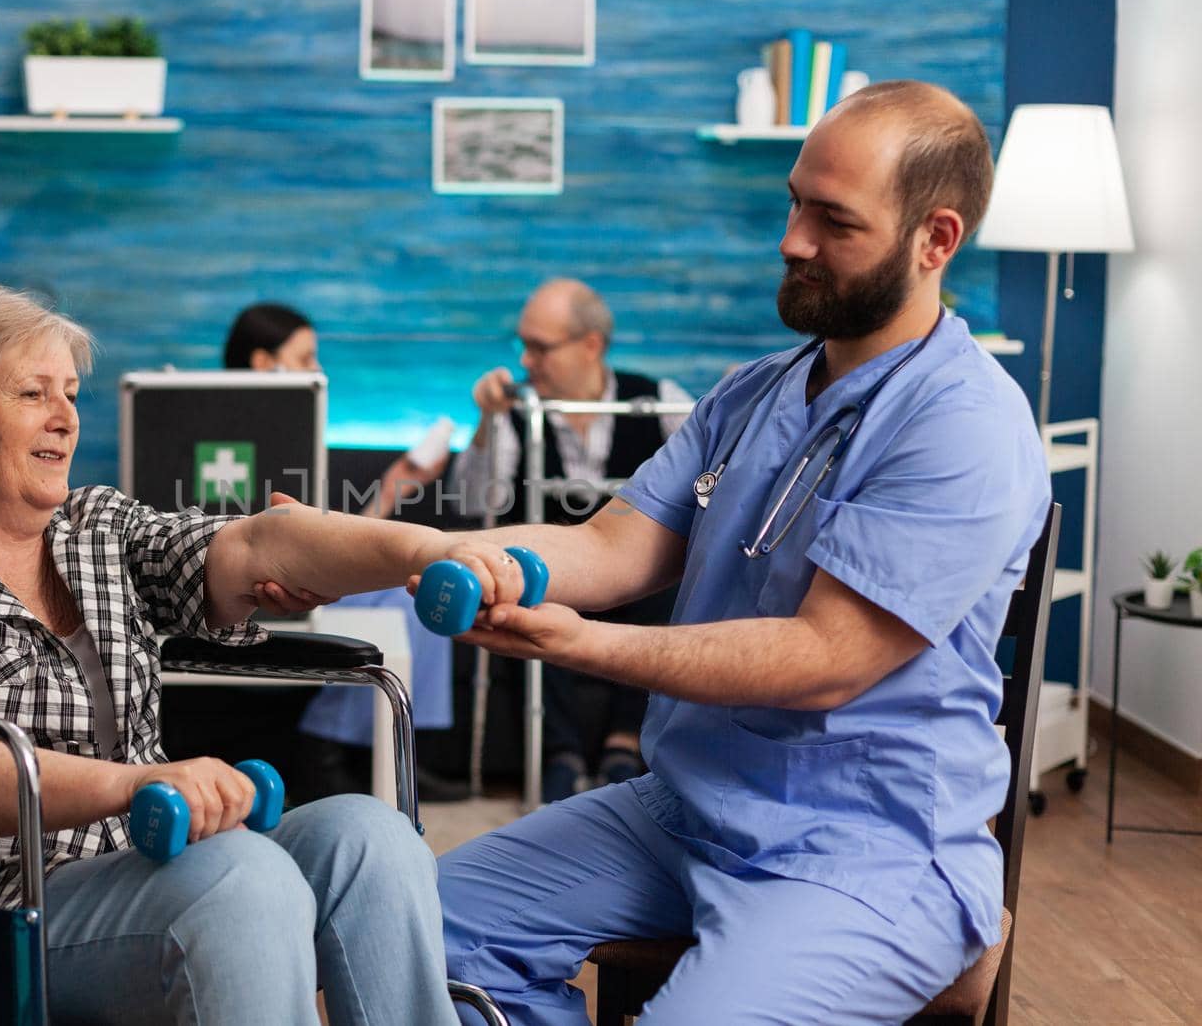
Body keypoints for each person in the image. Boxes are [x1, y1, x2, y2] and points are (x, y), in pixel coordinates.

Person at [427, 82, 1052, 1022]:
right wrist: (454, 554)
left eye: (832, 219)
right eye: (795, 201)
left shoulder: (965, 422)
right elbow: (611, 545)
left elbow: (823, 660)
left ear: (936, 239)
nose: (792, 239)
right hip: (684, 806)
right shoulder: (754, 392)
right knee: (417, 923)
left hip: (862, 848)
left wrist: (581, 644)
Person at [0, 282, 470, 1026]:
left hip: (140, 864)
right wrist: (137, 781)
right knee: (241, 877)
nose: (66, 419)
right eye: (32, 393)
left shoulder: (97, 528)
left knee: (372, 842)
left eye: (72, 395)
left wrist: (433, 550)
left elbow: (255, 542)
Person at [448, 278, 695, 801]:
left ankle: (624, 745)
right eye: (524, 346)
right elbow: (472, 502)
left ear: (590, 345)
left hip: (637, 580)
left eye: (540, 347)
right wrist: (486, 423)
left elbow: (714, 475)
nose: (527, 361)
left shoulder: (658, 401)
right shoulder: (515, 412)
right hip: (558, 571)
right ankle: (558, 754)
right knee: (532, 588)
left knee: (670, 575)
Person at [223, 301, 468, 802]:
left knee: (417, 594)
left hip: (298, 567)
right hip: (251, 575)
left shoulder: (302, 433)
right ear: (264, 363)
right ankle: (328, 747)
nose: (318, 370)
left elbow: (322, 541)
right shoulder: (237, 432)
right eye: (307, 356)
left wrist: (396, 488)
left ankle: (384, 748)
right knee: (402, 601)